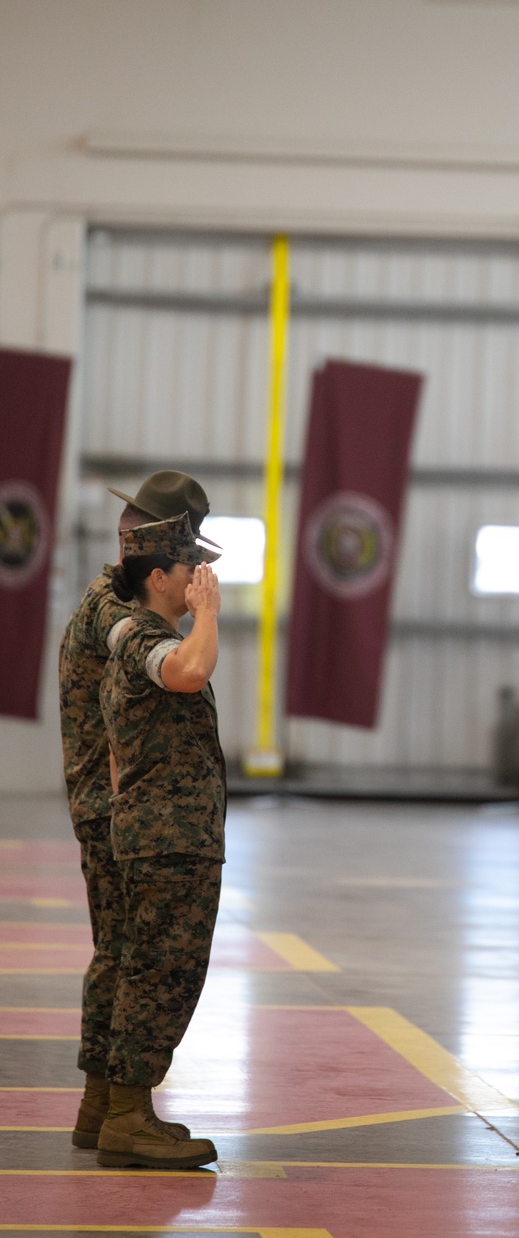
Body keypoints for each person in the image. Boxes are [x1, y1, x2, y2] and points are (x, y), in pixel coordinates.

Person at [58, 471, 214, 1151]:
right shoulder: (119, 615)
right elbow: (174, 668)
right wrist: (200, 623)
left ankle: (104, 1105)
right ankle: (123, 1111)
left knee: (121, 956)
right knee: (150, 962)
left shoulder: (105, 599)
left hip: (115, 808)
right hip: (131, 811)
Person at [95, 512, 225, 1171]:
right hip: (167, 838)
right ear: (159, 577)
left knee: (156, 970)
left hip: (169, 835)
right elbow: (191, 671)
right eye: (189, 570)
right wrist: (209, 614)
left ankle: (123, 1110)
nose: (199, 578)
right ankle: (125, 1118)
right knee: (160, 974)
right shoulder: (144, 638)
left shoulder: (144, 633)